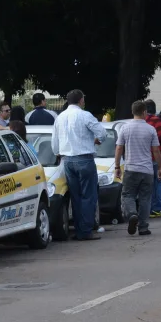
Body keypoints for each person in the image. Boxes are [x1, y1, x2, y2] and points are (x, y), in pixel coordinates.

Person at [51, 90, 106, 241]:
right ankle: (86, 230)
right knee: (88, 195)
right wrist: (96, 141)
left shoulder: (60, 117)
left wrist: (58, 153)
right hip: (84, 159)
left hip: (67, 160)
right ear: (81, 100)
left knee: (75, 196)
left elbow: (54, 143)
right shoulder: (85, 115)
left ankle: (79, 229)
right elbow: (102, 133)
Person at [115, 100, 161, 236]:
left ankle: (131, 214)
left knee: (127, 195)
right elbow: (156, 150)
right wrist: (160, 167)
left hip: (131, 168)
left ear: (132, 112)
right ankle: (143, 227)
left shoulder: (125, 128)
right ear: (144, 112)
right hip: (147, 170)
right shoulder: (150, 129)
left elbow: (119, 147)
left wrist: (117, 166)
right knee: (145, 198)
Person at [144, 100, 161, 217]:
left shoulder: (140, 121)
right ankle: (157, 207)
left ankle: (150, 209)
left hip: (144, 157)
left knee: (151, 184)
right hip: (157, 155)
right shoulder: (155, 121)